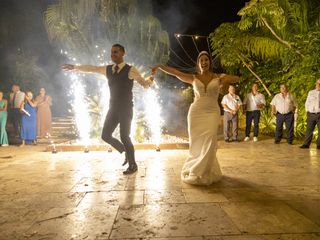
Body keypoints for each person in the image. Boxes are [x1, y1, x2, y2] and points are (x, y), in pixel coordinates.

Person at [62, 43, 153, 175]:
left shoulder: (130, 69)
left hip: (126, 108)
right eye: (111, 52)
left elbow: (145, 84)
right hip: (113, 108)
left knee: (124, 136)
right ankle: (125, 151)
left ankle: (133, 165)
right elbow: (92, 68)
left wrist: (152, 78)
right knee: (105, 135)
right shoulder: (108, 69)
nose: (113, 55)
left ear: (123, 54)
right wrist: (75, 67)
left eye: (116, 52)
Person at [152, 51, 239, 185]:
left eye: (206, 60)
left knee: (210, 138)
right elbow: (175, 72)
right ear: (198, 64)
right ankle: (199, 170)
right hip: (196, 112)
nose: (204, 62)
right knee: (197, 143)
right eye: (201, 61)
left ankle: (201, 170)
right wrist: (159, 66)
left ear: (209, 62)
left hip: (212, 111)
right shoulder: (193, 78)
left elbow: (236, 78)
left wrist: (226, 79)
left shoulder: (218, 77)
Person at [300, 79, 320, 149]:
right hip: (311, 114)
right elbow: (307, 102)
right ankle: (306, 144)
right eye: (318, 83)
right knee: (309, 129)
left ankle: (319, 145)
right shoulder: (311, 92)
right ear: (316, 84)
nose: (319, 85)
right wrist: (307, 111)